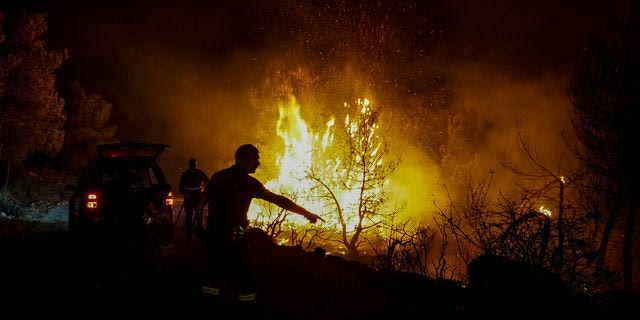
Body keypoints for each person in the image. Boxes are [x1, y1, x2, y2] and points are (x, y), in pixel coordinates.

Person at [201, 144, 322, 308]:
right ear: (243, 158)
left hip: (214, 234)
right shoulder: (248, 183)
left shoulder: (218, 177)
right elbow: (279, 200)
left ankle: (208, 307)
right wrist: (306, 213)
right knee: (245, 275)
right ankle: (245, 308)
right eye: (255, 158)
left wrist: (200, 227)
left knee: (213, 273)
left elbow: (202, 202)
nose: (258, 163)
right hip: (235, 237)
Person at [179, 158, 209, 239]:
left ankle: (191, 234)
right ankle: (197, 233)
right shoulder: (199, 173)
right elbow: (207, 182)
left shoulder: (185, 174)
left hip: (193, 197)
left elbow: (181, 187)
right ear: (196, 164)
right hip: (196, 197)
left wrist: (186, 193)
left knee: (192, 215)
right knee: (197, 215)